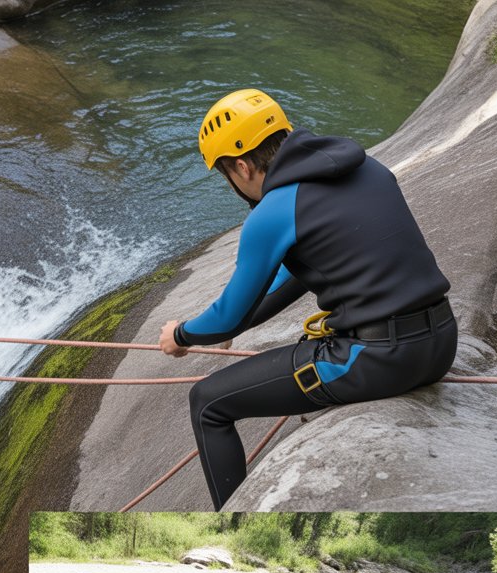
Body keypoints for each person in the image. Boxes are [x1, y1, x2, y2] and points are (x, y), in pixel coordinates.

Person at [158, 88, 457, 510]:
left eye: (225, 175)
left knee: (207, 403)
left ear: (241, 167)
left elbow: (227, 317)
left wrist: (184, 334)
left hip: (375, 361)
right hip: (441, 342)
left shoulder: (275, 210)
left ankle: (229, 524)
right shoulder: (367, 167)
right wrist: (231, 325)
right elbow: (296, 276)